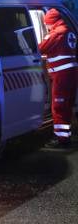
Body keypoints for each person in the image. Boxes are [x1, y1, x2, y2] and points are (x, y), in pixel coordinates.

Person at [38, 8, 78, 148]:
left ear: (52, 22)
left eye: (47, 24)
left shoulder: (57, 33)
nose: (47, 27)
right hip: (71, 74)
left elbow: (40, 48)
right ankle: (65, 136)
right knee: (67, 106)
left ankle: (61, 140)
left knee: (58, 107)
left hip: (62, 76)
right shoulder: (69, 31)